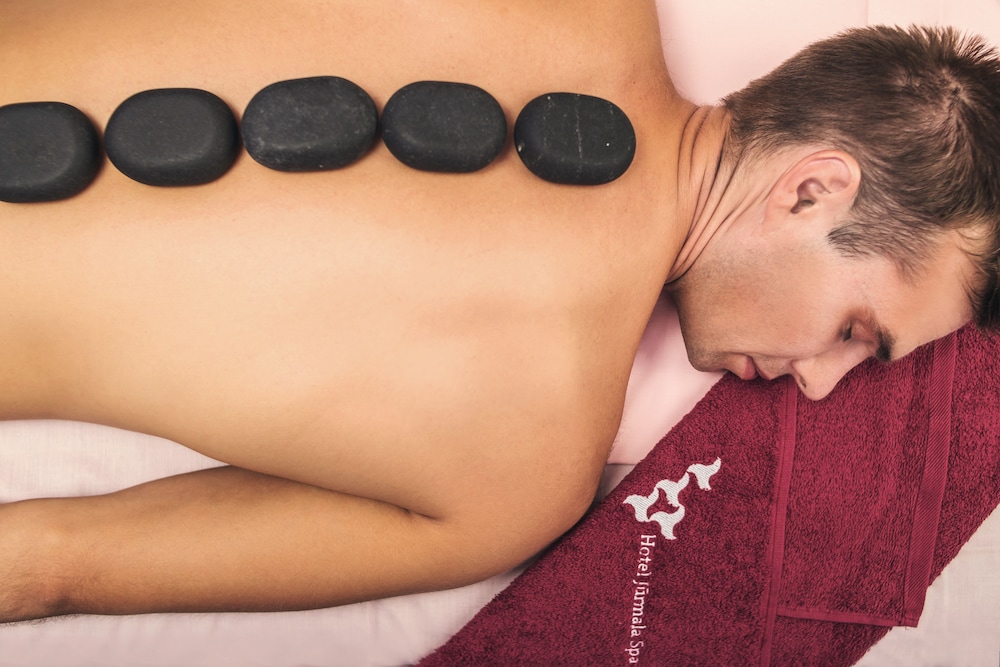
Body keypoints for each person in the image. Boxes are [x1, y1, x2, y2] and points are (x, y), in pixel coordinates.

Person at [0, 0, 997, 623]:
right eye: (857, 333)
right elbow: (42, 566)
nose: (819, 385)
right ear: (811, 190)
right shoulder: (522, 480)